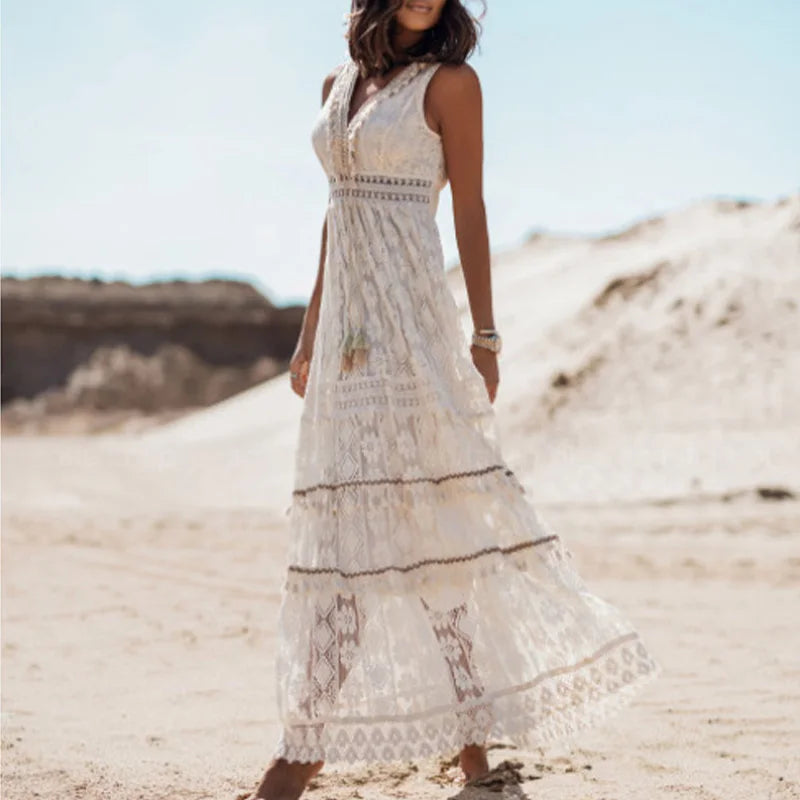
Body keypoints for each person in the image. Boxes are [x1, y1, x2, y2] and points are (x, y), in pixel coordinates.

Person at [246, 1, 660, 798]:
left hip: (413, 326)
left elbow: (467, 207)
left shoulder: (453, 85)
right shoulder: (337, 84)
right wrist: (309, 329)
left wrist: (487, 334)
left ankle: (415, 742)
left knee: (432, 521)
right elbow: (339, 214)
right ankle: (324, 736)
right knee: (343, 533)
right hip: (345, 342)